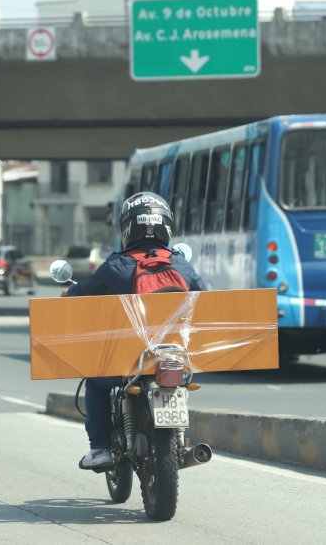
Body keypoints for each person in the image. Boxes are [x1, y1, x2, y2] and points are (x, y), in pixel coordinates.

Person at [66, 191, 208, 470]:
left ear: (128, 228)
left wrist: (68, 292)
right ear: (166, 225)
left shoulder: (116, 266)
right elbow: (206, 300)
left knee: (95, 381)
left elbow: (79, 297)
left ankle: (100, 448)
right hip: (176, 359)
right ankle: (179, 440)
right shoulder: (180, 264)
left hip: (129, 362)